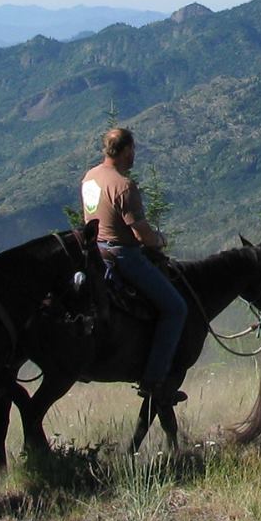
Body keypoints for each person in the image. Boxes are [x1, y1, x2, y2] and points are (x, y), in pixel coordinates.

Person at [82, 126, 188, 403]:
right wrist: (159, 240)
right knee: (176, 308)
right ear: (126, 150)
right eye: (133, 150)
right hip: (121, 255)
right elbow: (142, 234)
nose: (134, 156)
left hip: (94, 252)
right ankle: (154, 379)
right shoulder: (124, 186)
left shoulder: (90, 178)